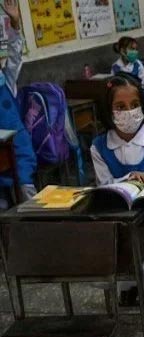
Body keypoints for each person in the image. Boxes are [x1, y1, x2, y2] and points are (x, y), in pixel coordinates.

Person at [91, 74, 144, 306]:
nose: (129, 112)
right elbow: (104, 185)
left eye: (134, 105)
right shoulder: (99, 147)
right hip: (117, 214)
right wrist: (128, 179)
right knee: (111, 237)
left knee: (140, 241)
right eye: (120, 107)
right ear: (109, 111)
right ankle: (129, 280)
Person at [0, 0, 37, 207]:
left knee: (28, 198)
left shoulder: (7, 81)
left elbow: (15, 54)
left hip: (19, 153)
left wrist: (15, 24)